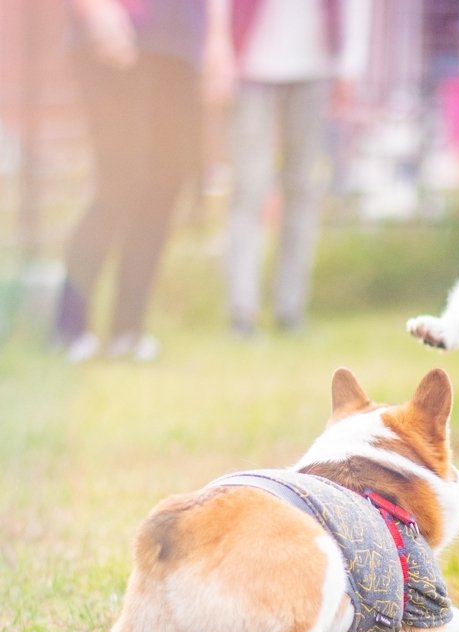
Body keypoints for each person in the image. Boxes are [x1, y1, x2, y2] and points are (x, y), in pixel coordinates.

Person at [53, 0, 232, 362]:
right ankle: (69, 325)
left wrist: (217, 39)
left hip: (179, 40)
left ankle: (128, 331)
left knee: (165, 182)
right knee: (121, 179)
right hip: (118, 27)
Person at [223, 0, 371, 336]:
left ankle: (290, 310)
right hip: (249, 63)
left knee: (303, 189)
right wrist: (220, 47)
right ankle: (241, 311)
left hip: (315, 65)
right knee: (248, 189)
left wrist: (350, 64)